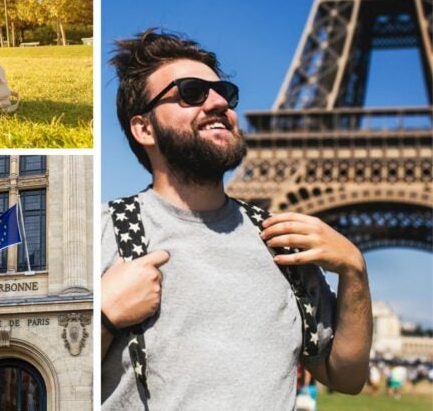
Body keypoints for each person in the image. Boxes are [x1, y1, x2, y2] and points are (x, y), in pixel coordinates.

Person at [101, 29, 373, 409]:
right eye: (191, 92)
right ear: (144, 128)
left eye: (224, 93)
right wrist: (104, 317)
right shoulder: (103, 234)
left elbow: (346, 376)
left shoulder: (281, 243)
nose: (217, 103)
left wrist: (355, 271)